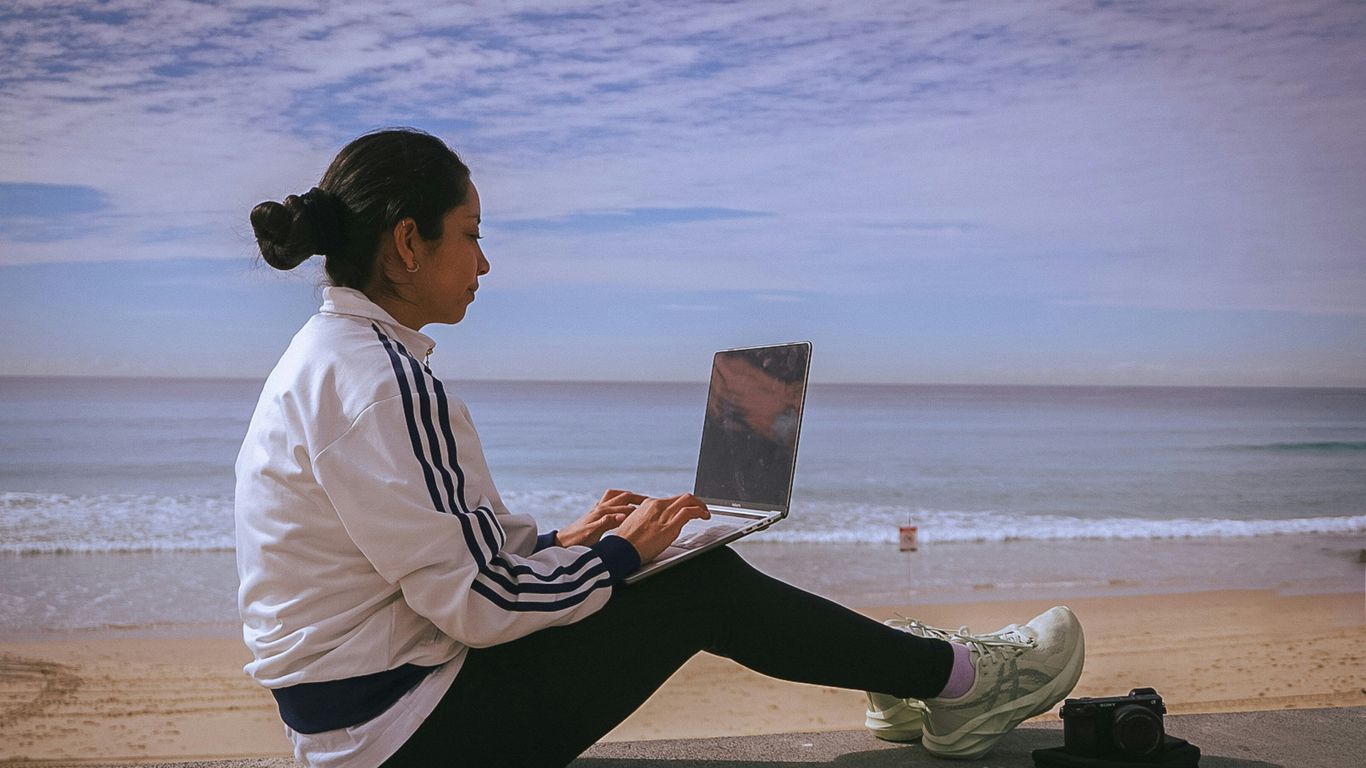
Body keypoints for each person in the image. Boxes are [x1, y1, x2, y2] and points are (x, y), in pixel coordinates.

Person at [236, 127, 1085, 768]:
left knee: (669, 563)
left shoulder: (333, 362)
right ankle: (965, 685)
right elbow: (480, 607)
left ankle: (916, 678)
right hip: (402, 735)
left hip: (361, 719)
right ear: (408, 241)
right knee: (698, 584)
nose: (486, 262)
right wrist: (611, 558)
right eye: (470, 234)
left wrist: (559, 544)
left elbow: (418, 559)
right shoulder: (383, 380)